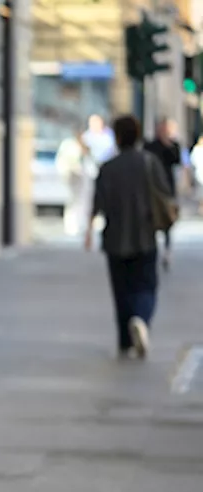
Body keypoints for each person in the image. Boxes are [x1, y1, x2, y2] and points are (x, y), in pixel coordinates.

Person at [84, 114, 171, 361]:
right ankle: (141, 319)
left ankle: (125, 339)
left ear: (118, 137)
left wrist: (89, 230)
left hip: (115, 238)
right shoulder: (149, 163)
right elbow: (163, 195)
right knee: (146, 285)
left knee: (121, 289)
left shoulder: (107, 167)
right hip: (145, 235)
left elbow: (97, 202)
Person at [144, 118, 183, 270]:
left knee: (167, 219)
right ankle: (152, 248)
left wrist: (168, 143)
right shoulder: (150, 146)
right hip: (151, 187)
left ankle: (167, 249)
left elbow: (177, 160)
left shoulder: (173, 146)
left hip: (167, 188)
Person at [54, 127, 92, 235]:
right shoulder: (69, 145)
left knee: (81, 201)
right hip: (71, 176)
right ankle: (71, 226)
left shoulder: (82, 145)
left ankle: (79, 224)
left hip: (80, 177)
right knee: (72, 201)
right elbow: (63, 160)